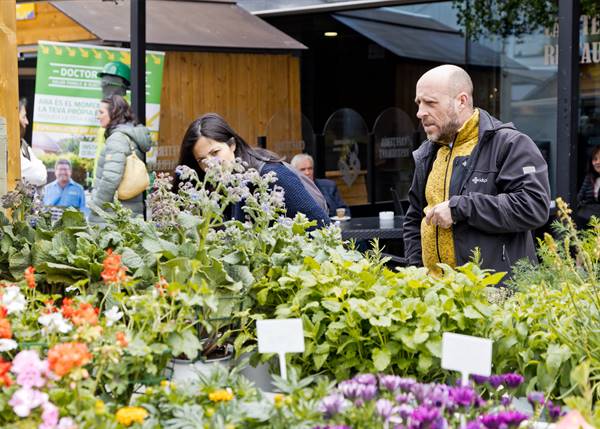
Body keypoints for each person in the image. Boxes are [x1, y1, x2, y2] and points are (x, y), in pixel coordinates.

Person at [403, 64, 550, 277]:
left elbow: (533, 207)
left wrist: (461, 208)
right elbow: (415, 218)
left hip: (491, 298)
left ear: (461, 101)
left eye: (430, 103)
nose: (420, 113)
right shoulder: (428, 152)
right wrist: (415, 272)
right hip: (433, 299)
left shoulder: (510, 144)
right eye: (419, 103)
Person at [175, 113, 330, 226]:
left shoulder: (272, 174)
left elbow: (320, 226)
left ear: (232, 145)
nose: (210, 164)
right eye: (202, 160)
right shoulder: (217, 190)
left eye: (215, 152)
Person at [89, 95, 151, 224]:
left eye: (101, 112)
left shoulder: (117, 138)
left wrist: (97, 206)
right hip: (128, 212)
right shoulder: (128, 136)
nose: (98, 116)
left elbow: (111, 178)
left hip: (111, 216)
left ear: (114, 113)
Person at [93, 61, 132, 184]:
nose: (104, 85)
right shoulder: (106, 116)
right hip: (101, 184)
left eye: (108, 81)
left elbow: (114, 169)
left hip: (112, 191)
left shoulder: (124, 114)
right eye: (104, 81)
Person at [290, 153, 350, 218]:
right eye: (302, 169)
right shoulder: (291, 191)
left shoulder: (329, 186)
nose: (307, 173)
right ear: (294, 172)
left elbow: (345, 211)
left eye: (310, 168)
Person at [19, 98, 47, 187]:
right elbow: (39, 176)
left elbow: (42, 175)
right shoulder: (5, 147)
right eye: (23, 117)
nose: (27, 122)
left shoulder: (23, 144)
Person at [575, 146, 600, 226]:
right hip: (587, 220)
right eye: (595, 159)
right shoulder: (589, 177)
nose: (598, 162)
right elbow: (579, 197)